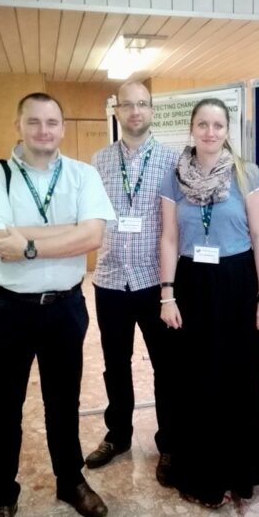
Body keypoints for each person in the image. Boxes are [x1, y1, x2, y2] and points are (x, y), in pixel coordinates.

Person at [0, 92, 116, 517]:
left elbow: (93, 235)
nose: (43, 130)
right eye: (33, 121)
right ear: (18, 125)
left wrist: (29, 243)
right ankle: (2, 498)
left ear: (62, 128)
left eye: (52, 122)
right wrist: (66, 231)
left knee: (63, 402)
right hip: (7, 309)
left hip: (65, 308)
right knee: (5, 409)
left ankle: (69, 481)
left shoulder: (82, 175)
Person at [160, 98, 259, 508]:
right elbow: (169, 238)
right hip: (192, 284)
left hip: (237, 282)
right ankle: (202, 473)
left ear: (228, 131)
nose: (210, 132)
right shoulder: (175, 177)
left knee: (238, 378)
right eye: (203, 125)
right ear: (191, 129)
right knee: (196, 379)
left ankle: (240, 472)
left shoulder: (247, 173)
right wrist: (167, 294)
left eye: (218, 125)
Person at [85, 81, 179, 485]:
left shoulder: (173, 160)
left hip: (155, 281)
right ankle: (118, 435)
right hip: (109, 279)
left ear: (152, 110)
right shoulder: (99, 160)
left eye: (142, 104)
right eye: (128, 105)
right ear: (116, 111)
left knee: (166, 367)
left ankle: (170, 442)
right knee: (115, 364)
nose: (135, 111)